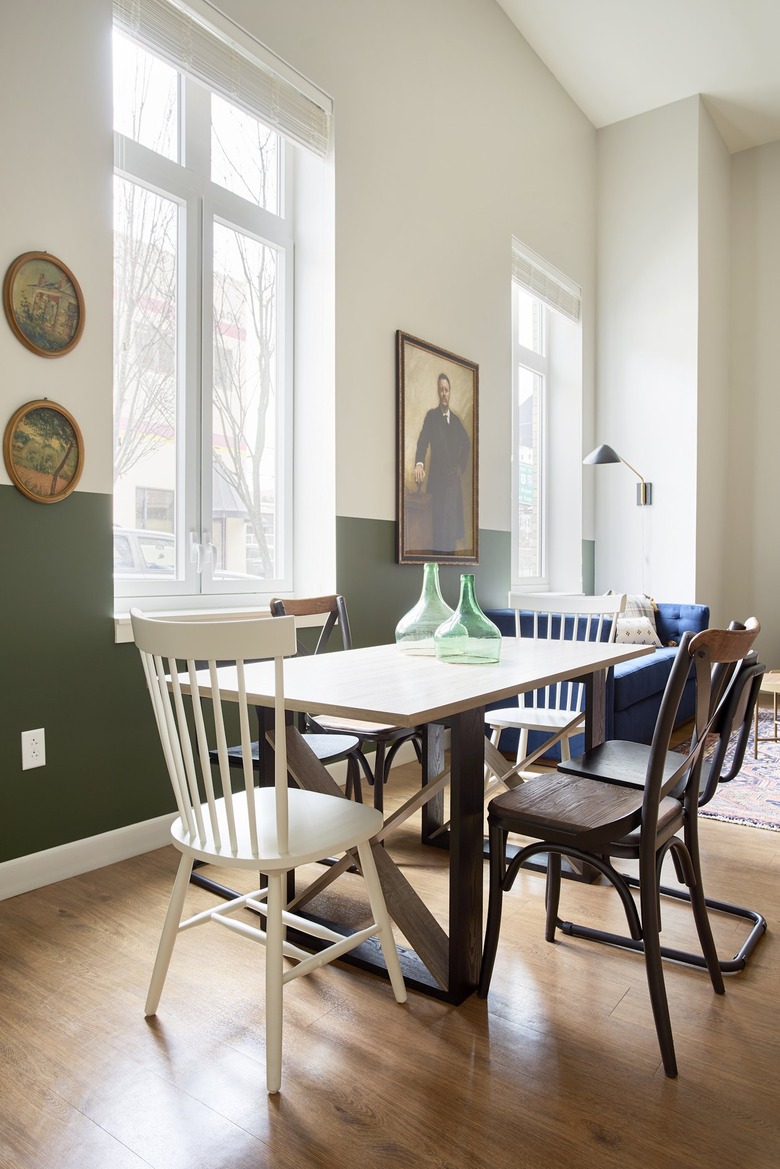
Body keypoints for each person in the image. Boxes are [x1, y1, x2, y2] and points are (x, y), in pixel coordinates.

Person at [413, 372, 471, 553]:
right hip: (437, 483)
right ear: (438, 393)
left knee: (451, 533)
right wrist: (419, 464)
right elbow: (422, 442)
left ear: (450, 392)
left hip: (453, 485)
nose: (444, 393)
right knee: (437, 532)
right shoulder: (431, 417)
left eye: (446, 390)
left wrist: (461, 466)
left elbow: (467, 443)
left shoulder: (455, 421)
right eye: (441, 390)